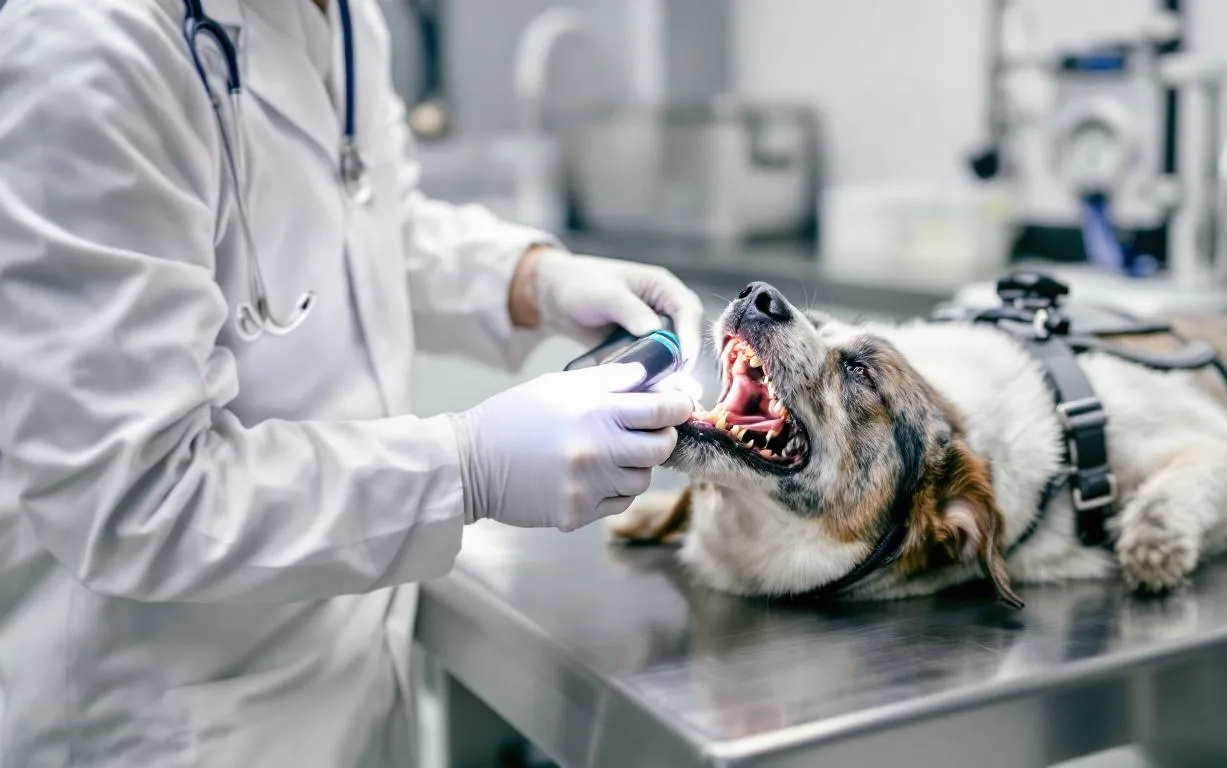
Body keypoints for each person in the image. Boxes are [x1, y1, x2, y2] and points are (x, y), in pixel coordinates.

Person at [0, 0, 702, 765]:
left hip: (349, 680)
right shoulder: (85, 42)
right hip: (166, 719)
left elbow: (367, 224)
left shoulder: (342, 17)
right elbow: (135, 498)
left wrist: (531, 278)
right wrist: (463, 467)